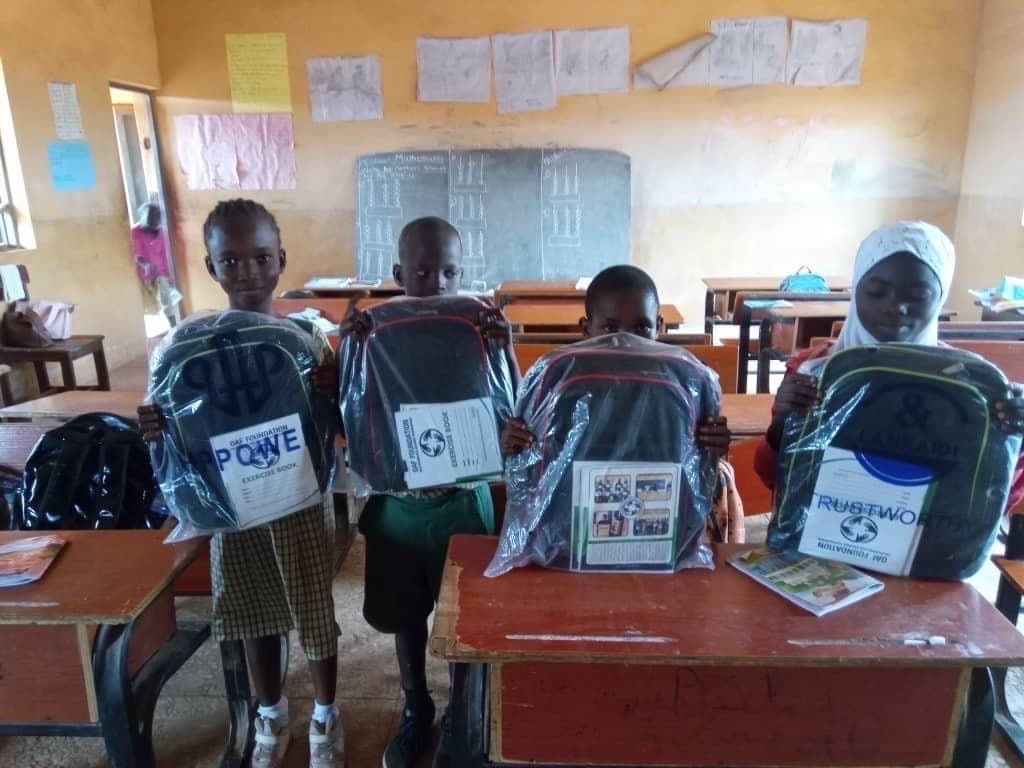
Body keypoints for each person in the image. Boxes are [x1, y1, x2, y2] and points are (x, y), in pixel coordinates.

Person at [138, 199, 344, 768]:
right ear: (211, 268)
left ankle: (327, 713)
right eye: (231, 261)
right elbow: (177, 431)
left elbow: (336, 424)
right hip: (233, 506)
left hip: (300, 498)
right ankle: (269, 711)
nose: (248, 272)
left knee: (313, 609)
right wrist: (156, 424)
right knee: (253, 611)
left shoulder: (306, 342)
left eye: (260, 257)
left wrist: (334, 385)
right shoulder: (187, 346)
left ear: (281, 259)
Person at [345, 216, 513, 768]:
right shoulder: (377, 336)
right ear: (397, 273)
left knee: (467, 619)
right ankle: (417, 708)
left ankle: (466, 710)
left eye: (449, 270)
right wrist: (349, 349)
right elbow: (352, 413)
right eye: (421, 270)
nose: (437, 281)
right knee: (405, 615)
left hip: (464, 503)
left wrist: (502, 348)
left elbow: (508, 412)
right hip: (399, 508)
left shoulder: (475, 329)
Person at [753, 220, 1024, 509]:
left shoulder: (969, 385)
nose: (896, 306)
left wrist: (1013, 441)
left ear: (941, 296)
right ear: (856, 289)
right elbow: (774, 477)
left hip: (927, 542)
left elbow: (993, 501)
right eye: (876, 291)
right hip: (816, 538)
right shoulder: (813, 371)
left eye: (918, 296)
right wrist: (782, 424)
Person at [500, 264, 731, 458]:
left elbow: (699, 466)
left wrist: (714, 445)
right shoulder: (562, 384)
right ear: (587, 329)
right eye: (610, 328)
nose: (625, 341)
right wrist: (515, 444)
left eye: (641, 327)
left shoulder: (686, 382)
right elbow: (534, 465)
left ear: (659, 327)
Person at [131, 202, 181, 322]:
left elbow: (165, 254)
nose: (153, 221)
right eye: (149, 218)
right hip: (143, 277)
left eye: (156, 217)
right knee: (149, 309)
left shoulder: (162, 232)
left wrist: (169, 276)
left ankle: (173, 327)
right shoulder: (134, 232)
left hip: (160, 273)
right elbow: (135, 254)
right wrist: (146, 265)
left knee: (168, 303)